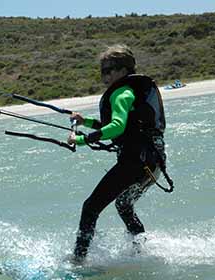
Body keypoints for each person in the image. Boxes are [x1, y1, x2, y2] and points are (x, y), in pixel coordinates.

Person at [67, 44, 169, 264]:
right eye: (102, 70)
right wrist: (86, 122)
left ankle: (78, 261)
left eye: (109, 69)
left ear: (123, 70)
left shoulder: (121, 93)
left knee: (90, 207)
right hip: (152, 166)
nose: (104, 75)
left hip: (135, 163)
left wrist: (82, 139)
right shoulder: (130, 91)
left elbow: (117, 127)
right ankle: (140, 251)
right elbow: (120, 125)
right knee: (123, 205)